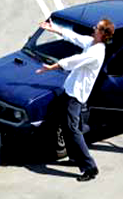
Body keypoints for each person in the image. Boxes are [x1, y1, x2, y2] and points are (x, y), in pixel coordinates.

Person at [36, 18, 115, 182]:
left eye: (97, 27)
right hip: (70, 90)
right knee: (67, 125)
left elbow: (74, 61)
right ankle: (74, 157)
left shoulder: (96, 52)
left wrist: (53, 66)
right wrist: (53, 29)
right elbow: (74, 37)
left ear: (102, 33)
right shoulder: (92, 43)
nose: (93, 28)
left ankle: (90, 167)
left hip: (76, 96)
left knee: (72, 129)